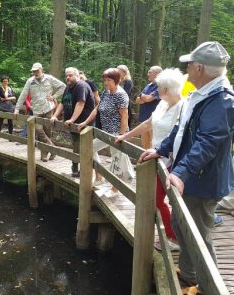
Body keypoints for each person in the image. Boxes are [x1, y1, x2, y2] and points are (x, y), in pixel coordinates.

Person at [139, 41, 234, 295]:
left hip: (203, 180)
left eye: (190, 65)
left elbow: (208, 141)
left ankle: (207, 288)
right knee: (181, 225)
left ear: (200, 68)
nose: (187, 70)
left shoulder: (222, 101)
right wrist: (161, 150)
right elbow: (181, 131)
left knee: (199, 235)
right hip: (191, 175)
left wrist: (181, 172)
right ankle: (191, 272)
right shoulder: (202, 93)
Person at [116, 68, 185, 250]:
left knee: (158, 199)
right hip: (156, 156)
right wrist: (126, 136)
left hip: (171, 159)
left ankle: (174, 238)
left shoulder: (183, 108)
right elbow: (148, 124)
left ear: (167, 89)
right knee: (154, 198)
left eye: (160, 86)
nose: (157, 89)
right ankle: (169, 233)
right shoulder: (162, 104)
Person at [79, 68, 132, 197]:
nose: (106, 83)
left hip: (117, 133)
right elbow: (97, 109)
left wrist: (122, 135)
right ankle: (99, 175)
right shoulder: (106, 92)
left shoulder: (121, 95)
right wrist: (85, 122)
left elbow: (125, 117)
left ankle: (115, 189)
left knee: (116, 161)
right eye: (105, 80)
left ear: (116, 80)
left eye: (109, 80)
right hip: (105, 132)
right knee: (88, 148)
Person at [14, 62, 66, 161]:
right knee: (38, 130)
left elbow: (63, 86)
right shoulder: (30, 81)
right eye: (33, 71)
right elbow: (23, 95)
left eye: (37, 71)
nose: (35, 73)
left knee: (47, 131)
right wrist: (17, 108)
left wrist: (54, 96)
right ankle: (53, 148)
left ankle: (44, 155)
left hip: (48, 109)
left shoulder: (49, 78)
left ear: (41, 69)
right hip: (37, 110)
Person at [50, 67, 95, 177]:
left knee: (84, 147)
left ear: (77, 76)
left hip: (83, 123)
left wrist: (72, 120)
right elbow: (62, 103)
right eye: (66, 76)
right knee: (76, 145)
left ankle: (85, 170)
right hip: (73, 124)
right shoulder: (68, 87)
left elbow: (81, 103)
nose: (68, 77)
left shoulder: (81, 86)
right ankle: (75, 167)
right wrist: (55, 116)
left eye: (70, 75)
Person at [135, 66, 163, 149]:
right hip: (143, 119)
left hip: (154, 121)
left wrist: (144, 97)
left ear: (157, 74)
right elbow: (137, 100)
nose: (148, 74)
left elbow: (148, 99)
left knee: (154, 146)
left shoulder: (161, 86)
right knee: (145, 146)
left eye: (150, 72)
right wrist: (145, 98)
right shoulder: (148, 86)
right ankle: (146, 162)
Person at [0, 75, 16, 143]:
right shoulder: (0, 88)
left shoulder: (10, 88)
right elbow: (4, 95)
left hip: (9, 107)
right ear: (2, 82)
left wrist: (6, 98)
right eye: (4, 81)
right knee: (0, 122)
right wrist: (7, 96)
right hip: (2, 107)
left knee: (10, 122)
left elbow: (14, 97)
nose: (5, 82)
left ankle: (10, 137)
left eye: (7, 81)